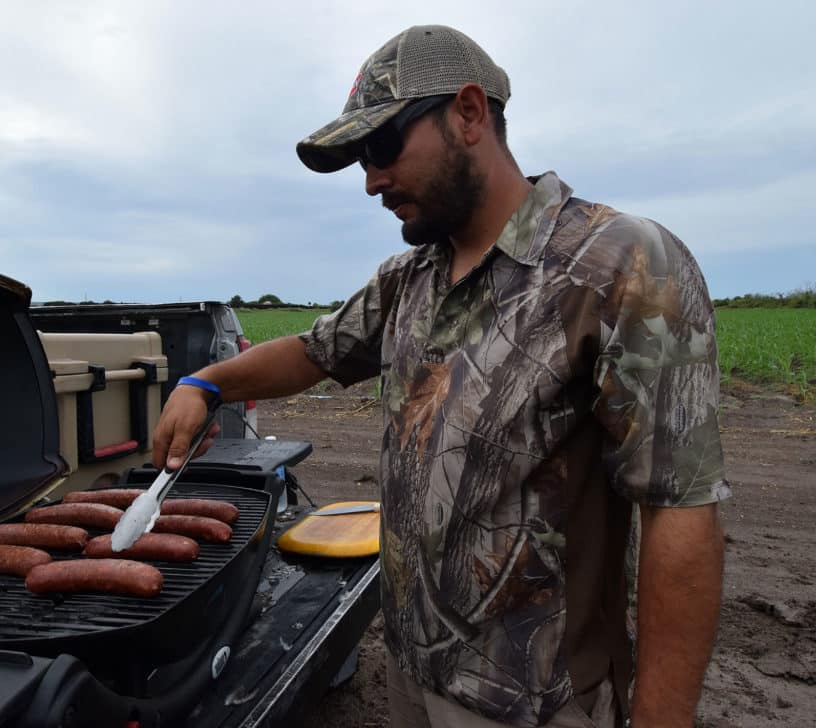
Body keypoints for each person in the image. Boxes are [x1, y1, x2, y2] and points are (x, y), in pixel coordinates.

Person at [153, 24, 730, 728]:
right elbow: (314, 350)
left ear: (468, 114)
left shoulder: (620, 266)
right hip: (410, 671)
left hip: (533, 703)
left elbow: (680, 506)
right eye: (360, 161)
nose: (370, 181)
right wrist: (207, 384)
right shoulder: (410, 278)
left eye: (382, 147)